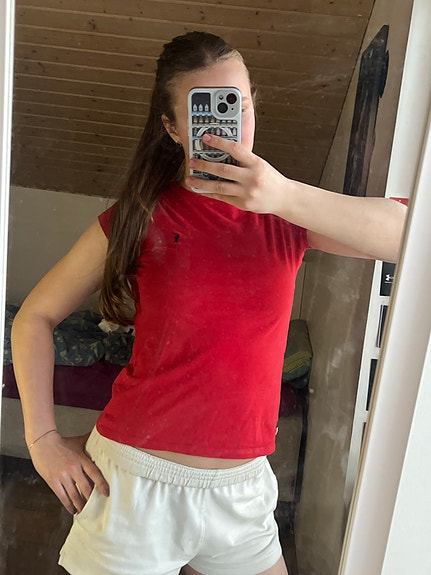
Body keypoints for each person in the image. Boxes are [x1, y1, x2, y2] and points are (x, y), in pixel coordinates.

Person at [11, 31, 406, 575]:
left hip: (242, 491)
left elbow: (409, 236)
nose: (226, 124)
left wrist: (284, 196)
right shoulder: (139, 216)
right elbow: (34, 316)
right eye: (206, 110)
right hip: (135, 484)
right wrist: (42, 440)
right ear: (173, 128)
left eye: (237, 104)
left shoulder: (288, 213)